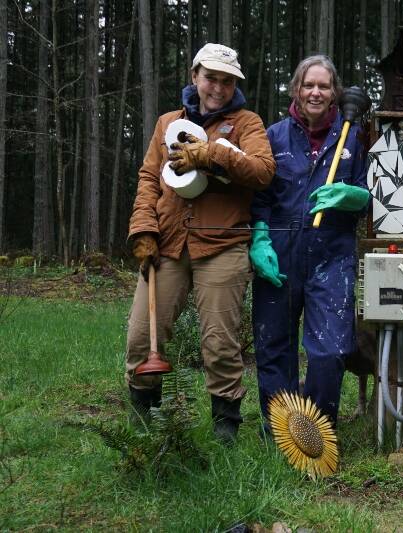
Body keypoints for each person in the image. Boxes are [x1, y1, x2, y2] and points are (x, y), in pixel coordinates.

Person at [126, 43, 276, 444]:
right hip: (169, 242)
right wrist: (143, 228)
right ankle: (144, 422)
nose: (218, 87)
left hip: (223, 243)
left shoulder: (247, 123)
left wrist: (210, 154)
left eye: (227, 81)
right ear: (195, 76)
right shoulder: (166, 124)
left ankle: (225, 425)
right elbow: (147, 179)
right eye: (211, 77)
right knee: (143, 334)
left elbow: (263, 172)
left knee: (220, 342)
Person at [250, 55, 369, 431]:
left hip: (332, 256)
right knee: (274, 347)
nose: (315, 92)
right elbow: (260, 196)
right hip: (280, 254)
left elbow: (371, 192)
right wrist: (259, 236)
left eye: (324, 85)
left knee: (329, 350)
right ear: (296, 90)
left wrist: (353, 195)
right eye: (308, 85)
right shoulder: (274, 137)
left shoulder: (352, 137)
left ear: (334, 93)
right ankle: (281, 432)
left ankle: (317, 434)